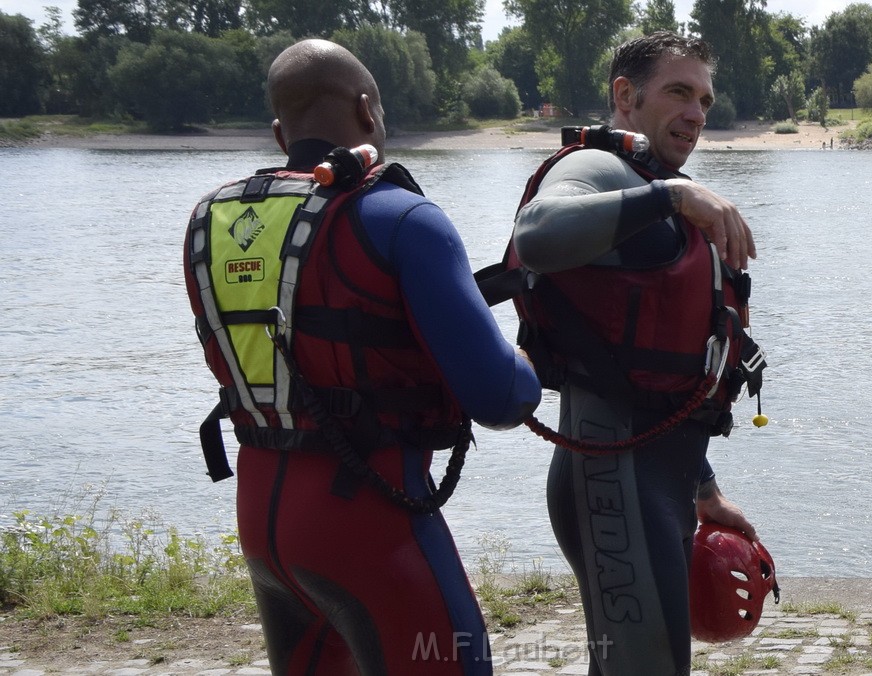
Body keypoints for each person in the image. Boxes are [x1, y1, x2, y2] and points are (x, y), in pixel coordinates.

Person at [183, 38, 540, 675]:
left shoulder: (208, 217)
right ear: (368, 109)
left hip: (264, 523)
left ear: (276, 131)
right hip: (367, 525)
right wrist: (527, 356)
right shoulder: (401, 216)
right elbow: (501, 398)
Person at [508, 32, 766, 674]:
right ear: (626, 96)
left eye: (704, 99)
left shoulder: (649, 183)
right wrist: (675, 196)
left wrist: (704, 490)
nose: (696, 113)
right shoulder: (594, 169)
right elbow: (537, 236)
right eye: (678, 92)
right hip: (611, 477)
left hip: (661, 478)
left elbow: (660, 378)